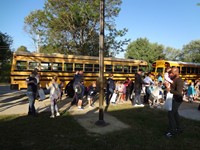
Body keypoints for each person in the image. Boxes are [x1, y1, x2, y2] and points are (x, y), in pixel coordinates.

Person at [165, 67, 183, 137]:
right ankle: (179, 128)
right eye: (170, 73)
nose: (170, 74)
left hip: (177, 99)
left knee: (170, 114)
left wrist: (169, 89)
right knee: (175, 114)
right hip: (174, 98)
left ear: (176, 73)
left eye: (172, 73)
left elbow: (179, 93)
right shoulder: (174, 79)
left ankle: (172, 131)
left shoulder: (179, 80)